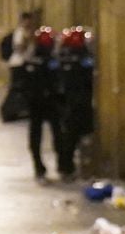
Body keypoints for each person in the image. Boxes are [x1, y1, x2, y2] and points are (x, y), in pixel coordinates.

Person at [21, 26, 63, 183]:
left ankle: (39, 167)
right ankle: (61, 165)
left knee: (36, 135)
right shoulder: (51, 62)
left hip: (35, 103)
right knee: (57, 133)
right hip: (50, 102)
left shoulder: (30, 60)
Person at [56, 26, 95, 180]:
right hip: (81, 104)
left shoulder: (61, 59)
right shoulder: (84, 59)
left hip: (68, 105)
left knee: (68, 138)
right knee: (80, 137)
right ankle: (81, 168)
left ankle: (67, 167)